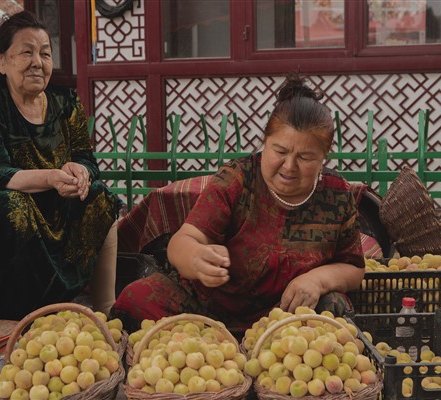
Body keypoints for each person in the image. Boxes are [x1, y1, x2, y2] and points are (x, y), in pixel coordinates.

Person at [111, 74, 365, 334]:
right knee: (137, 298)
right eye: (279, 151)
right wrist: (196, 258)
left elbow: (355, 268)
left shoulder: (336, 194)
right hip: (207, 310)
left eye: (305, 157)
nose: (289, 166)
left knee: (333, 305)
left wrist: (317, 280)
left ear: (324, 156)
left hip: (286, 320)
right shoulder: (237, 180)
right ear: (264, 142)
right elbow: (182, 242)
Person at [0, 11, 121, 321]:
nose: (38, 61)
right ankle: (18, 316)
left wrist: (81, 174)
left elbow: (86, 158)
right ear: (1, 61)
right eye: (26, 52)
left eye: (45, 53)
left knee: (100, 198)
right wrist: (51, 176)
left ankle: (106, 309)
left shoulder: (66, 102)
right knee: (15, 207)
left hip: (48, 197)